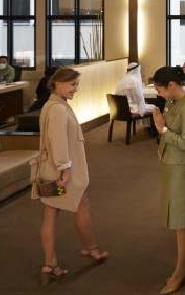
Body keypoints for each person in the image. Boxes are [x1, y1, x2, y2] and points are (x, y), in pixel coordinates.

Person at [34, 68, 107, 285]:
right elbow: (58, 142)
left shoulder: (52, 105)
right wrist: (65, 170)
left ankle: (50, 264)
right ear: (58, 83)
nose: (76, 89)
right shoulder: (57, 109)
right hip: (63, 173)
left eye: (77, 84)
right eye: (73, 84)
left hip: (51, 170)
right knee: (81, 206)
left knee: (51, 214)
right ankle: (91, 249)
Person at [151, 67, 185, 295]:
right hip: (171, 164)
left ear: (171, 85)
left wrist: (162, 129)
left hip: (181, 168)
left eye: (160, 89)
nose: (158, 93)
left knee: (181, 220)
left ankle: (180, 272)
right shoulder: (171, 102)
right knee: (179, 218)